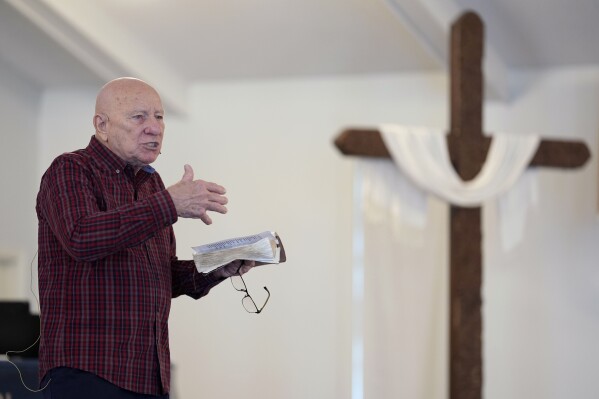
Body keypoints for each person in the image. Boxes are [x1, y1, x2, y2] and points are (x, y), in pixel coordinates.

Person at [35, 77, 255, 398]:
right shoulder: (70, 169)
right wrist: (170, 203)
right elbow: (82, 237)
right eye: (139, 117)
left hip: (148, 376)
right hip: (88, 371)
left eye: (159, 116)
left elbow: (166, 275)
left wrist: (220, 266)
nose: (154, 127)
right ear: (102, 125)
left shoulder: (152, 186)